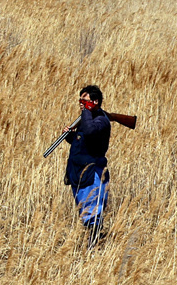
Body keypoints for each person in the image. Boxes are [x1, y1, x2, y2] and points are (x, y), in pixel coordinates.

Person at [64, 84, 111, 242]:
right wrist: (70, 136)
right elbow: (82, 144)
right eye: (80, 101)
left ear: (95, 102)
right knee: (85, 213)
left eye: (85, 101)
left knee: (93, 214)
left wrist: (85, 113)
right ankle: (94, 243)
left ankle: (96, 244)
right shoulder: (87, 120)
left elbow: (90, 132)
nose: (81, 104)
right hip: (78, 174)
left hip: (93, 174)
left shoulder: (101, 121)